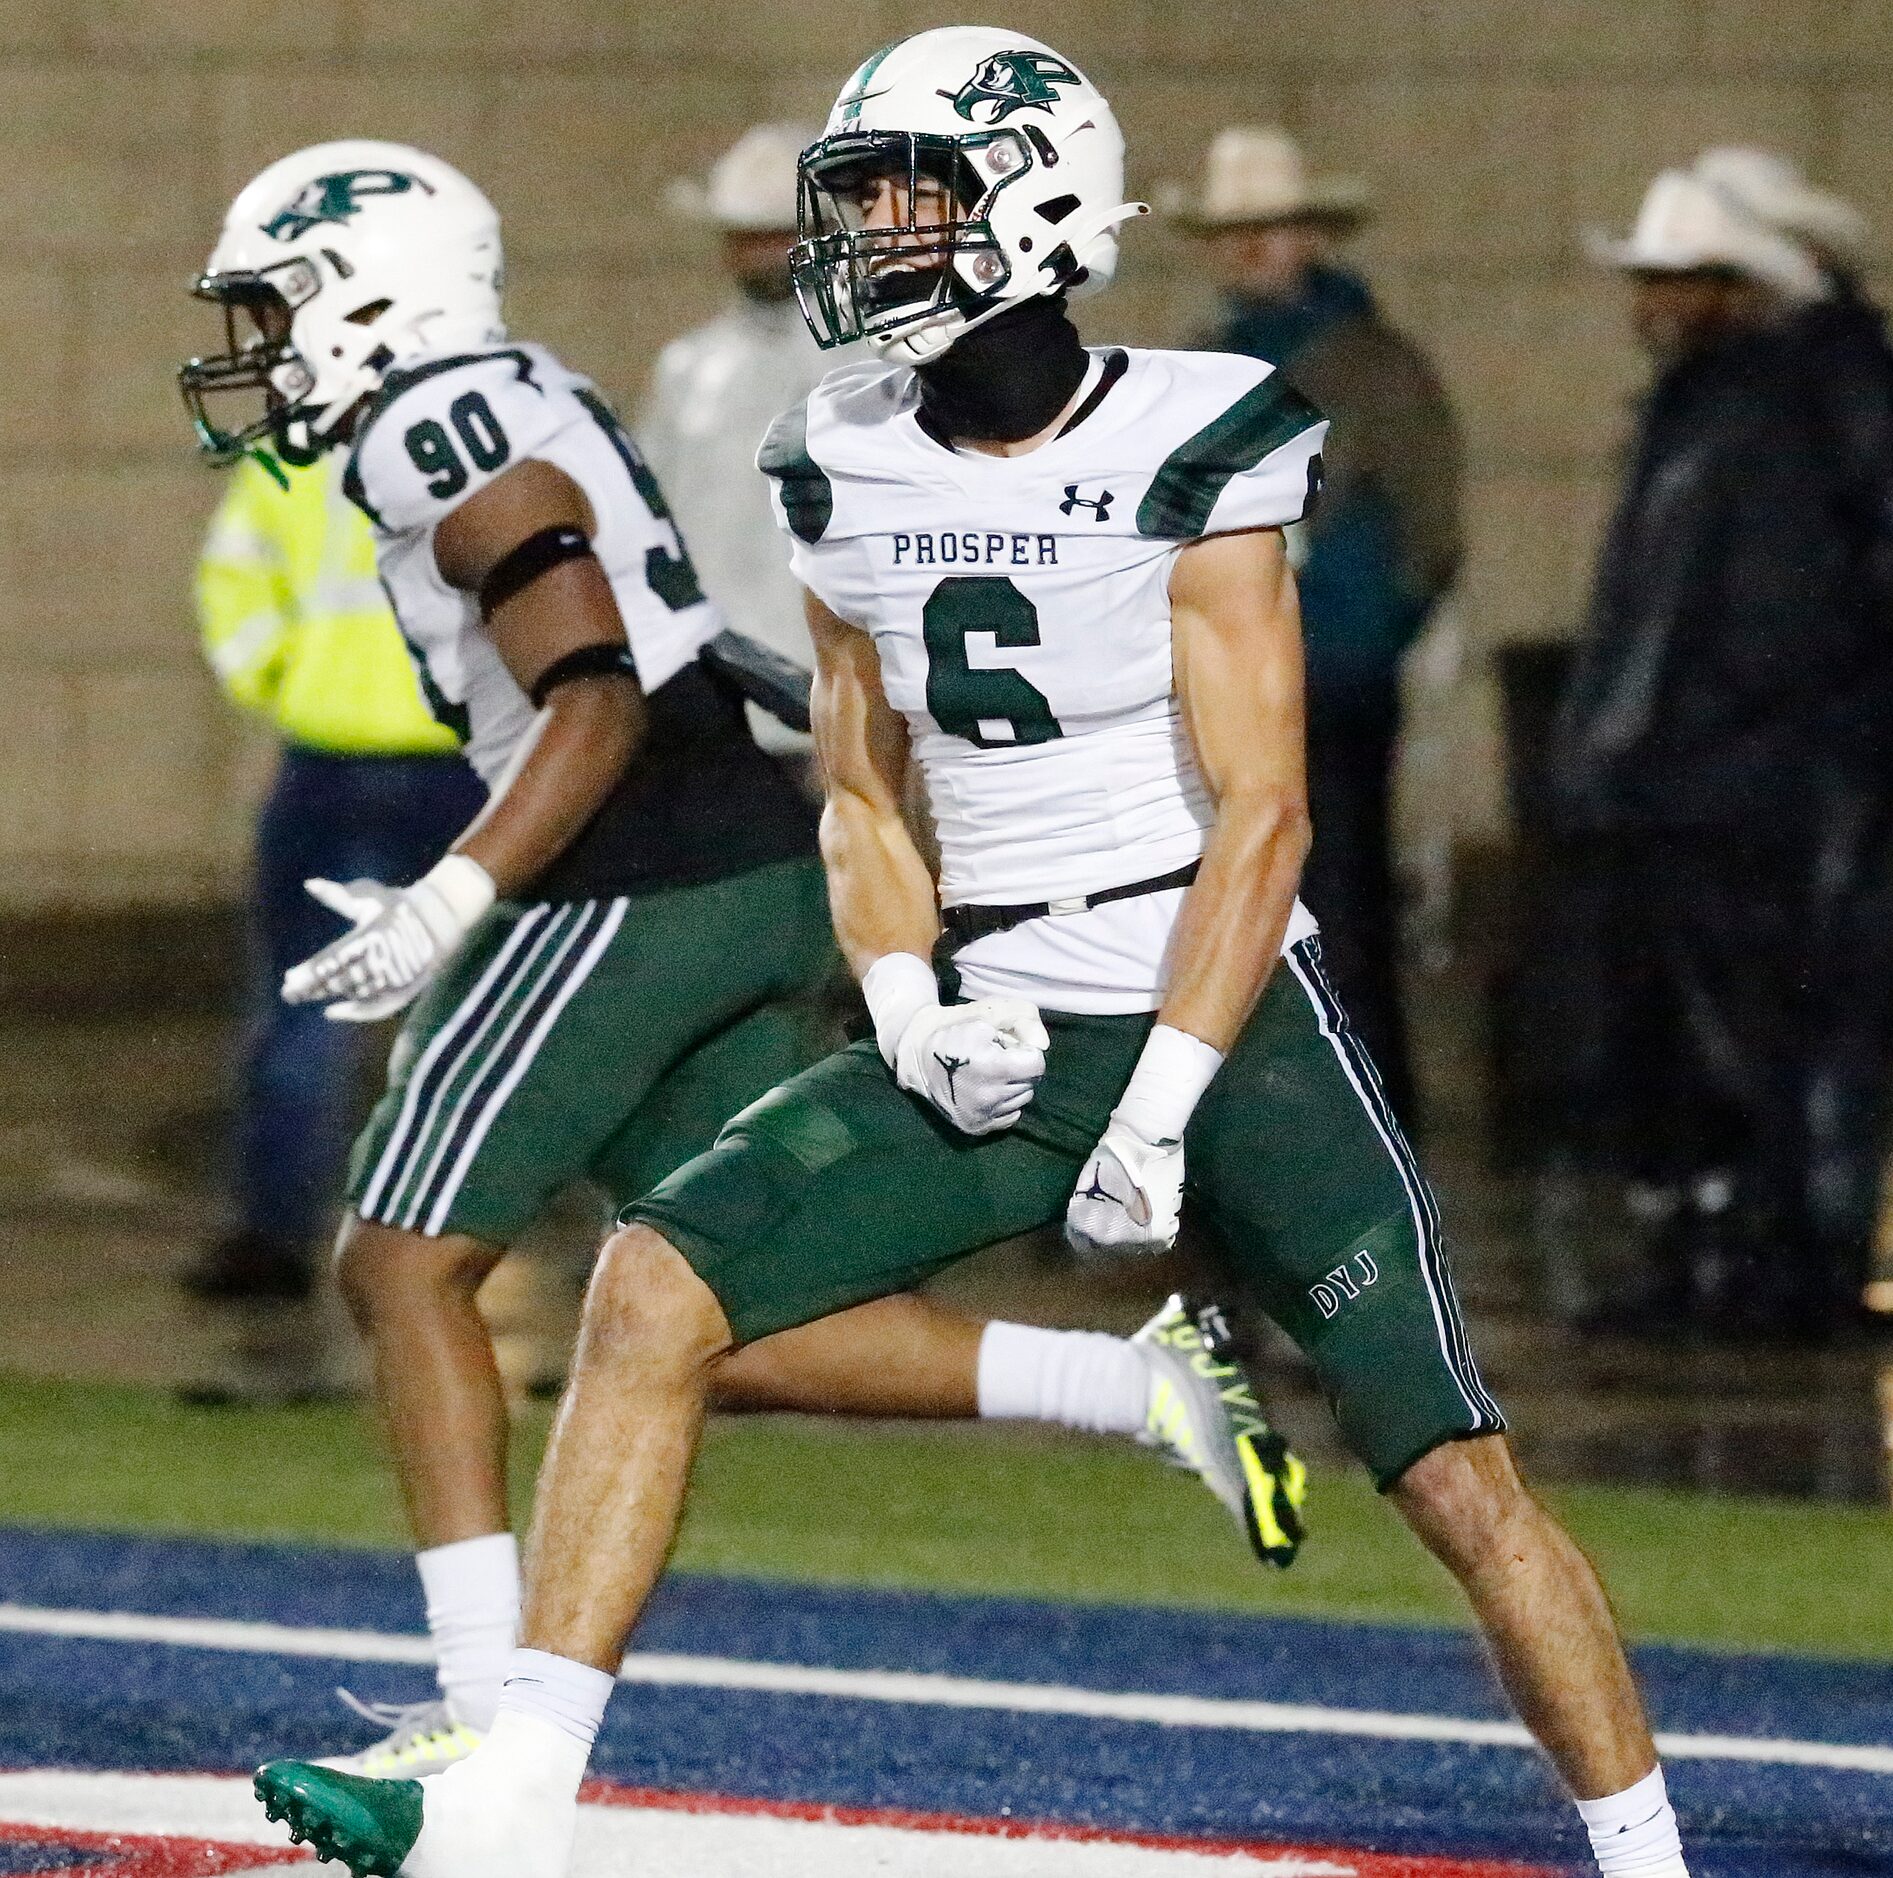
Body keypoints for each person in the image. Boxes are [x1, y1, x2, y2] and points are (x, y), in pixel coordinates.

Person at [253, 33, 1692, 1878]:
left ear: (1040, 198)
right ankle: (517, 1796)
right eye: (858, 196)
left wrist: (1162, 1103)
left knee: (1448, 1475)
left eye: (906, 193)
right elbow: (858, 780)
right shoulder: (841, 450)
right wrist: (913, 1000)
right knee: (649, 1288)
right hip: (992, 1017)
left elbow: (1263, 815)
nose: (864, 234)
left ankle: (1647, 1854)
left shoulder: (1197, 430)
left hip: (1220, 1021)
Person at [178, 137, 1304, 1779]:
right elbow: (691, 642)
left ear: (369, 297)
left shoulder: (440, 417)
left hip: (623, 872)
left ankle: (483, 1719)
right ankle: (1141, 1386)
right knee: (721, 1300)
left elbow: (591, 693)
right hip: (738, 859)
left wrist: (453, 891)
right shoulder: (519, 384)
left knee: (399, 1259)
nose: (260, 344)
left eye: (281, 304)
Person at [1551, 168, 1887, 1339]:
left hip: (1739, 784)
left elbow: (1768, 610)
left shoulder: (1773, 412)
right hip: (1699, 778)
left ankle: (1769, 1266)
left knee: (1756, 1041)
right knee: (1699, 1049)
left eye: (1678, 279)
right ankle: (1723, 1258)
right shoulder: (1710, 410)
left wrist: (1711, 735)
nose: (1653, 302)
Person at [1167, 126, 1463, 1120]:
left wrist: (1364, 630)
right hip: (1225, 684)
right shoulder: (1198, 367)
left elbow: (1432, 528)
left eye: (1272, 229)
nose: (1252, 249)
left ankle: (1368, 1108)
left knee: (1344, 903)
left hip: (1331, 680)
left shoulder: (1377, 368)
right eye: (1237, 231)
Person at [184, 452, 486, 1303]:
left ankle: (274, 1238)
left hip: (327, 754)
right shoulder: (488, 428)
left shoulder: (291, 454)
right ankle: (453, 1240)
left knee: (302, 1009)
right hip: (463, 760)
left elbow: (232, 581)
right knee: (479, 1015)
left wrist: (281, 681)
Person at [640, 122, 834, 756]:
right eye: (747, 238)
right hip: (709, 695)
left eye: (780, 235)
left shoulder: (875, 365)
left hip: (828, 695)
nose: (763, 254)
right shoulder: (688, 367)